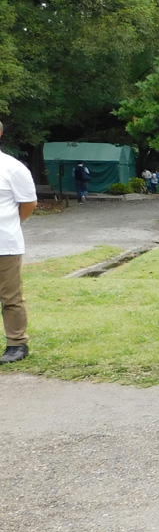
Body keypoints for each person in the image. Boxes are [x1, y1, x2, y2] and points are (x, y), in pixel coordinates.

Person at [0, 121, 37, 365]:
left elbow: (29, 204)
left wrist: (11, 224)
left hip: (4, 244)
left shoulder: (12, 168)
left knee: (10, 296)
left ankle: (16, 344)